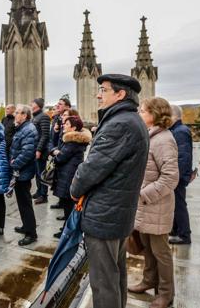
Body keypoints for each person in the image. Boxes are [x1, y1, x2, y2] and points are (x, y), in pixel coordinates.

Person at [70, 74, 149, 308]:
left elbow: (91, 169)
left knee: (103, 281)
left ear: (120, 94)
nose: (98, 94)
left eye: (103, 90)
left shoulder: (120, 124)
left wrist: (75, 189)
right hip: (117, 213)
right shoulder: (131, 120)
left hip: (106, 215)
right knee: (115, 275)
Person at [129, 97, 179, 308]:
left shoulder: (164, 139)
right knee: (148, 248)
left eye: (143, 111)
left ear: (155, 115)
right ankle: (148, 281)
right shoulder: (151, 136)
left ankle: (166, 294)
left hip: (155, 205)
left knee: (161, 252)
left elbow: (170, 178)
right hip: (146, 205)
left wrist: (142, 195)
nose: (139, 114)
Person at [50, 115, 91, 238]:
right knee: (68, 205)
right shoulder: (71, 139)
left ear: (73, 127)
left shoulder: (73, 141)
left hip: (68, 176)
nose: (64, 125)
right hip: (68, 174)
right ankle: (67, 229)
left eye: (67, 124)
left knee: (69, 206)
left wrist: (55, 153)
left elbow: (60, 158)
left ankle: (68, 232)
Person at [10, 105, 39, 246]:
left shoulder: (28, 129)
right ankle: (26, 226)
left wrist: (15, 164)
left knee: (25, 203)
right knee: (22, 202)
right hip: (21, 172)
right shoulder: (23, 128)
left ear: (25, 115)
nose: (15, 115)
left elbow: (27, 152)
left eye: (18, 113)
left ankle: (31, 234)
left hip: (23, 172)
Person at [168, 105, 193, 245]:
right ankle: (176, 229)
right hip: (177, 174)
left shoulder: (180, 131)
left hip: (178, 175)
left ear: (174, 116)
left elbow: (183, 157)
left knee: (179, 205)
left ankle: (184, 234)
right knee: (175, 204)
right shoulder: (176, 130)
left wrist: (177, 176)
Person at [49, 97, 72, 210]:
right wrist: (56, 130)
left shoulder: (70, 123)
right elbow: (53, 138)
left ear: (67, 107)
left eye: (61, 104)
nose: (58, 106)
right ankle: (61, 202)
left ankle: (64, 205)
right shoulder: (57, 118)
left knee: (65, 182)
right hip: (57, 151)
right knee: (60, 181)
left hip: (64, 155)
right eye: (57, 103)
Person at [31, 98, 51, 204]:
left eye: (33, 103)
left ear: (38, 105)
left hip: (41, 150)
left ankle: (44, 195)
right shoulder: (35, 117)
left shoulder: (44, 117)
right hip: (35, 149)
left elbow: (45, 135)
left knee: (42, 173)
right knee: (37, 173)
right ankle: (39, 191)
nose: (31, 104)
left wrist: (39, 149)